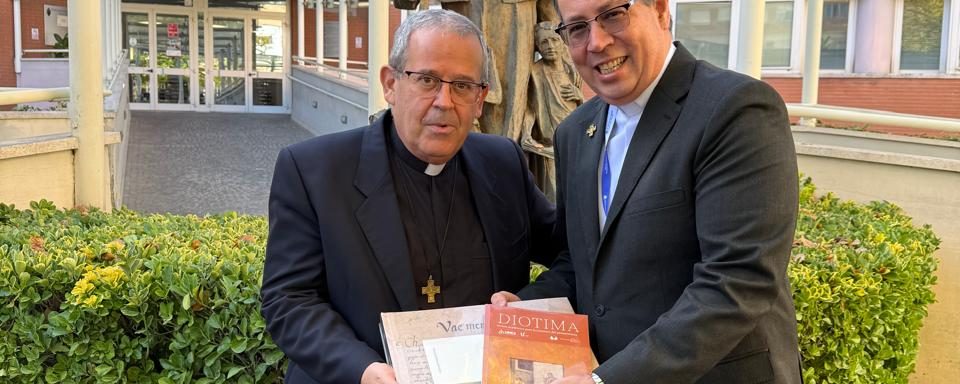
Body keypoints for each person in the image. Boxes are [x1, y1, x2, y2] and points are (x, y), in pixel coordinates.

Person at [492, 1, 802, 383]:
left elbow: (737, 281)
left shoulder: (734, 110)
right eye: (577, 28)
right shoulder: (575, 132)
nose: (597, 42)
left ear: (658, 9)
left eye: (612, 14)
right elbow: (582, 263)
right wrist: (527, 308)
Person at [261, 10, 558, 384]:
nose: (444, 101)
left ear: (481, 99)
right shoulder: (313, 170)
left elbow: (572, 253)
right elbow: (289, 299)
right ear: (390, 84)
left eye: (463, 85)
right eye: (427, 80)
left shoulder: (503, 164)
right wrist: (362, 369)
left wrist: (527, 304)